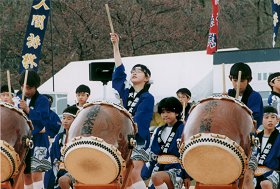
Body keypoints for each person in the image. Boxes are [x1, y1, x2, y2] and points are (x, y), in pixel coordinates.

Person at [111, 32, 154, 189]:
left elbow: (141, 118)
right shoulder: (125, 93)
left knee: (134, 173)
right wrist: (116, 46)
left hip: (138, 139)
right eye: (133, 71)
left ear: (147, 78)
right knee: (124, 175)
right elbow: (118, 73)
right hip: (122, 138)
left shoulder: (148, 97)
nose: (134, 72)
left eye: (139, 71)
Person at [144, 97, 189, 189]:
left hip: (176, 168)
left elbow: (187, 153)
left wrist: (187, 176)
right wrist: (144, 173)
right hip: (158, 166)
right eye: (163, 112)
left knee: (157, 177)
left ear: (176, 113)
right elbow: (152, 154)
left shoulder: (184, 129)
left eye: (168, 112)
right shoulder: (158, 130)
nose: (165, 115)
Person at [17, 70, 51, 189]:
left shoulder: (43, 100)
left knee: (37, 172)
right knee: (26, 174)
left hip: (39, 140)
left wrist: (28, 109)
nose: (25, 91)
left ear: (35, 87)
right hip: (24, 142)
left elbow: (43, 121)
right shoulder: (17, 98)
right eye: (23, 87)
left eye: (28, 88)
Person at [45, 106, 79, 189]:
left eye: (69, 118)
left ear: (77, 121)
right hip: (59, 170)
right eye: (64, 118)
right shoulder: (59, 137)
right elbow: (52, 155)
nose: (65, 121)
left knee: (63, 180)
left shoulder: (80, 138)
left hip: (75, 171)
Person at [250, 106, 280, 189]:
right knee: (245, 181)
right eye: (266, 117)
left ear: (278, 120)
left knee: (266, 184)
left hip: (273, 171)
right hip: (255, 172)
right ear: (261, 120)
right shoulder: (255, 138)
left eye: (273, 117)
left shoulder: (279, 137)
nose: (270, 120)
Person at [228, 62, 263, 129]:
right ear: (230, 78)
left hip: (246, 134)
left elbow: (255, 119)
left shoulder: (254, 96)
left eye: (242, 81)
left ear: (249, 80)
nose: (238, 84)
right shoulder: (228, 95)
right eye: (235, 80)